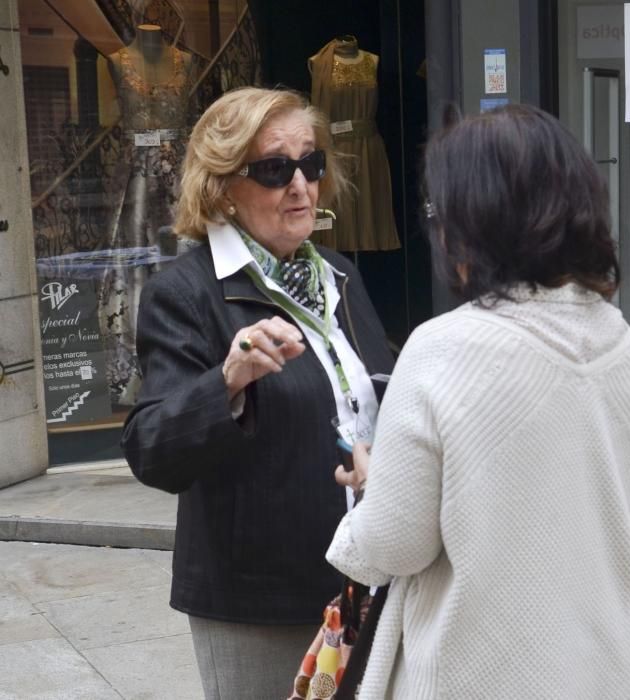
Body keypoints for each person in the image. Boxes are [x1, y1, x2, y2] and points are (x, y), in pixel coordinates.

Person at [326, 104, 630, 698]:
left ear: (471, 220)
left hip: (480, 668)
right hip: (601, 661)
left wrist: (371, 487)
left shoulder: (443, 347)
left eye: (438, 210)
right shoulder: (617, 337)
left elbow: (394, 544)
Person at [121, 87, 394, 699]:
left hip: (363, 579)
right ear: (222, 188)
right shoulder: (186, 294)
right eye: (274, 169)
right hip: (260, 601)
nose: (300, 185)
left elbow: (374, 401)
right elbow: (151, 448)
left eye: (311, 163)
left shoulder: (341, 276)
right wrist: (228, 381)